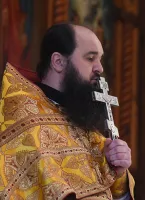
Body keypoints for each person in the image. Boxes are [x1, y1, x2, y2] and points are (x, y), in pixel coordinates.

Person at [0, 23, 135, 199]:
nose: (99, 68)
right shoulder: (21, 118)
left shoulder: (85, 124)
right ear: (58, 62)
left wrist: (119, 174)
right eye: (90, 58)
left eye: (100, 59)